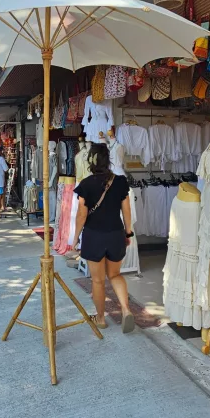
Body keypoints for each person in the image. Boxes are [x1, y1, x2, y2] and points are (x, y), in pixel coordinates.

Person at [69, 143, 136, 333]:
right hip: (115, 233)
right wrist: (128, 232)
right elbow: (127, 210)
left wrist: (75, 238)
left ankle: (100, 319)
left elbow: (82, 215)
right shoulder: (121, 181)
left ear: (90, 160)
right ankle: (125, 309)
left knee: (98, 281)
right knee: (115, 275)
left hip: (94, 236)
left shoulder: (86, 184)